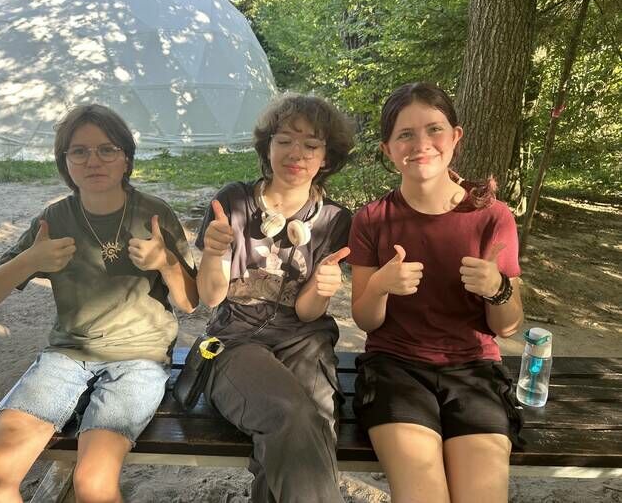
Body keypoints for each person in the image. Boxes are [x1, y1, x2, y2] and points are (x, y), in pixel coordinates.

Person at [0, 104, 198, 503]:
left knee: (93, 483)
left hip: (139, 359)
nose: (94, 161)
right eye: (79, 151)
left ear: (126, 158)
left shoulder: (153, 214)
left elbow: (190, 302)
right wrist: (30, 261)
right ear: (65, 163)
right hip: (67, 356)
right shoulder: (54, 220)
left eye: (107, 149)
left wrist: (166, 262)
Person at [348, 82, 524, 503]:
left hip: (475, 371)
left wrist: (497, 289)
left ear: (455, 136)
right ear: (388, 150)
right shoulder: (371, 219)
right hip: (395, 370)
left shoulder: (493, 217)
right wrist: (380, 286)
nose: (421, 144)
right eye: (405, 134)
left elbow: (508, 326)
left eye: (434, 129)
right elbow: (365, 319)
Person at [196, 93, 355, 503]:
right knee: (291, 414)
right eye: (284, 140)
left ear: (326, 157)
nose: (296, 153)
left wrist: (321, 288)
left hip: (305, 341)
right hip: (236, 342)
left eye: (311, 144)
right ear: (267, 147)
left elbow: (307, 312)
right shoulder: (232, 202)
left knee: (317, 425)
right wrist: (213, 253)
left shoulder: (335, 219)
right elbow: (211, 297)